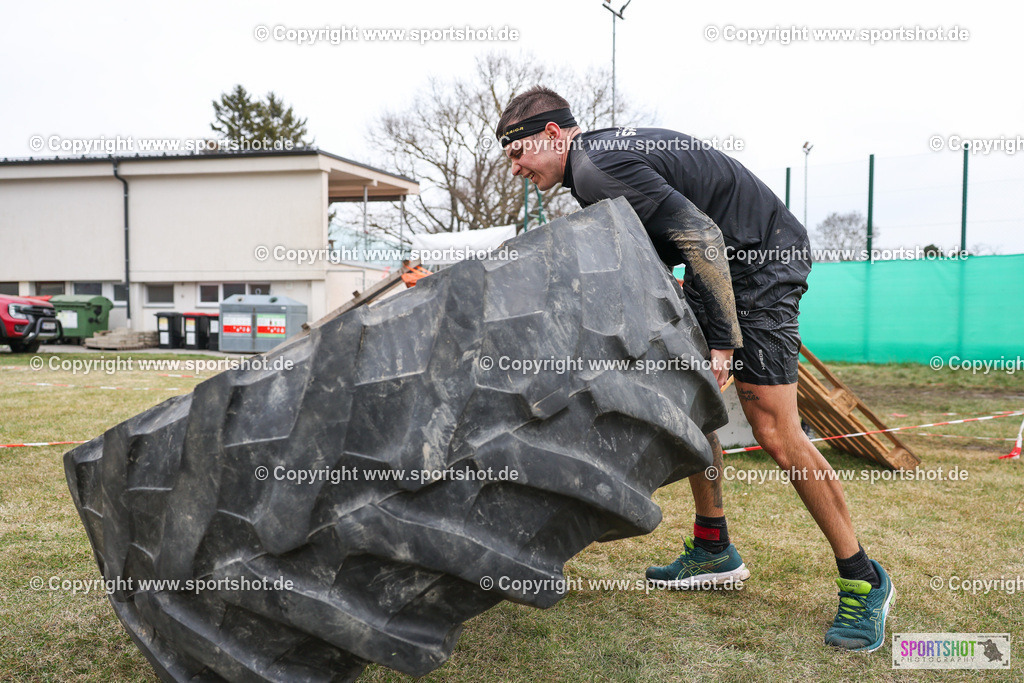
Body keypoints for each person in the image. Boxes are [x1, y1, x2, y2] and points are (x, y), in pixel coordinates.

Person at [495, 86, 894, 652]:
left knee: (774, 430)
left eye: (518, 153)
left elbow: (702, 237)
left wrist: (724, 343)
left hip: (760, 265)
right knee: (694, 401)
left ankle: (864, 580)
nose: (515, 168)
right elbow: (662, 249)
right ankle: (713, 548)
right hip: (727, 267)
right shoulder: (597, 160)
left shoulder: (593, 168)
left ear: (553, 135)